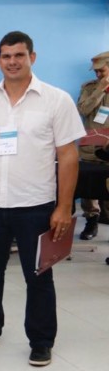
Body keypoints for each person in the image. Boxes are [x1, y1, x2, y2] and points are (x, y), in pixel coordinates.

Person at [0, 31, 84, 367]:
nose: (12, 62)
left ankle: (41, 341)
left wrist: (64, 206)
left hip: (36, 207)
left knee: (39, 276)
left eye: (19, 55)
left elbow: (68, 156)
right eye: (6, 56)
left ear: (32, 57)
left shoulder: (56, 100)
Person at [76, 51, 109, 240]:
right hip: (91, 145)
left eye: (101, 71)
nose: (97, 74)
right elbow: (83, 110)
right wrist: (100, 89)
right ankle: (91, 220)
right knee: (88, 186)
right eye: (95, 71)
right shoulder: (89, 88)